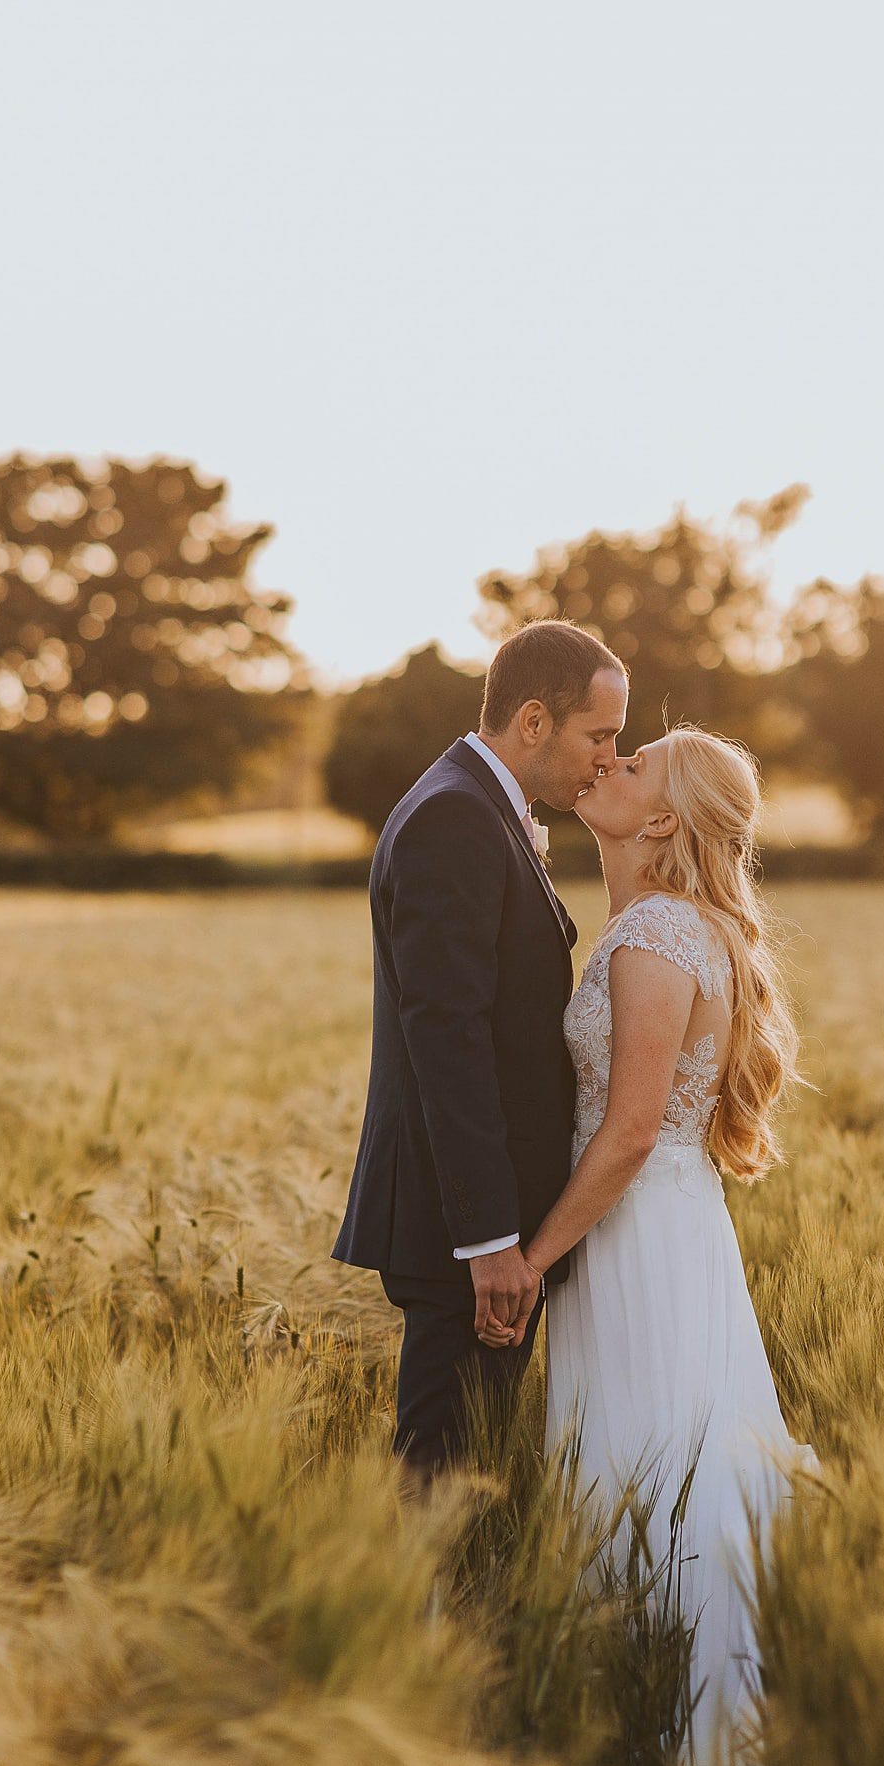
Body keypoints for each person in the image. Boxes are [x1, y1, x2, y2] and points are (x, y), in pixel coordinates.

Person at [479, 724, 819, 1766]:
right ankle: (655, 1721)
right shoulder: (653, 924)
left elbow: (627, 1130)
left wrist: (529, 1257)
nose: (607, 764)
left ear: (664, 817)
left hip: (636, 1230)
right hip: (660, 1221)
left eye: (634, 765)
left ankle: (686, 1743)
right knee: (658, 1450)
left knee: (655, 1454)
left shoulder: (657, 933)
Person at [329, 618, 628, 1477]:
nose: (608, 758)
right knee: (445, 1474)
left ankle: (448, 1606)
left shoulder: (476, 804)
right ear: (533, 721)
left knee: (469, 1467)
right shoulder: (455, 816)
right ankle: (429, 1613)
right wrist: (489, 1238)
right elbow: (447, 1036)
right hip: (464, 1228)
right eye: (597, 735)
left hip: (485, 1218)